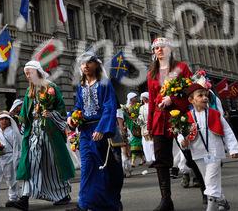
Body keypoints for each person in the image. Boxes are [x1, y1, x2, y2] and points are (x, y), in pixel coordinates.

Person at [13, 61, 74, 211]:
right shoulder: (29, 91)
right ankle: (24, 197)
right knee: (31, 162)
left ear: (38, 72)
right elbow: (25, 113)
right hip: (34, 132)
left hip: (49, 132)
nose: (27, 76)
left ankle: (63, 194)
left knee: (53, 165)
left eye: (30, 73)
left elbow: (60, 109)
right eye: (26, 73)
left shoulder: (51, 87)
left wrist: (51, 114)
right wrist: (20, 121)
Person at [68, 52, 123, 211]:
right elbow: (79, 106)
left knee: (107, 168)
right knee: (87, 167)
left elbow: (109, 106)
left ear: (96, 64)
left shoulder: (104, 83)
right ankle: (84, 204)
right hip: (85, 131)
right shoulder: (81, 86)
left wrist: (102, 129)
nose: (85, 66)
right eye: (82, 63)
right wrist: (73, 117)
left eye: (88, 62)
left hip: (102, 131)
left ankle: (110, 203)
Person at [147, 37, 193, 211]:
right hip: (159, 120)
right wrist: (150, 125)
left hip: (179, 116)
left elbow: (191, 89)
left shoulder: (181, 67)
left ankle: (207, 190)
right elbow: (152, 101)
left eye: (163, 47)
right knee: (161, 161)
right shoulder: (151, 73)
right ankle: (166, 200)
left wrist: (172, 99)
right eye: (156, 47)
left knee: (190, 154)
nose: (159, 50)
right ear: (154, 51)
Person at [179, 84, 238, 211]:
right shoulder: (187, 117)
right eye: (200, 95)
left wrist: (233, 149)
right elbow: (181, 133)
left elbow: (227, 131)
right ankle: (222, 201)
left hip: (214, 152)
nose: (204, 98)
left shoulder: (215, 114)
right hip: (198, 153)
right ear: (191, 100)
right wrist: (182, 142)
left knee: (210, 179)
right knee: (209, 180)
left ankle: (211, 207)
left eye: (205, 95)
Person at [124, 92, 144, 167]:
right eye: (134, 97)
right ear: (131, 99)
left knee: (137, 144)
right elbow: (125, 118)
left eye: (136, 97)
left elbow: (141, 115)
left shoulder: (138, 106)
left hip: (138, 127)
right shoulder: (126, 107)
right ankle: (140, 159)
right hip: (130, 128)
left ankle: (134, 161)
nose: (136, 98)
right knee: (134, 144)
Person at [138, 92, 155, 165]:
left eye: (144, 97)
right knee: (146, 144)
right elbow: (140, 115)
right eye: (142, 98)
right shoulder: (141, 107)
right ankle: (150, 159)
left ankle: (155, 158)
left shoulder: (152, 105)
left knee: (153, 143)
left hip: (152, 126)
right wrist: (139, 119)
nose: (143, 99)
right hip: (144, 127)